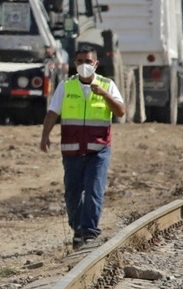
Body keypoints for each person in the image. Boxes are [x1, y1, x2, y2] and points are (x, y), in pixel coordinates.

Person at [39, 47, 126, 249]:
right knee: (73, 193)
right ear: (75, 64)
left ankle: (89, 233)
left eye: (88, 61)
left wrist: (104, 94)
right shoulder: (66, 86)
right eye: (79, 61)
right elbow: (53, 113)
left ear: (95, 64)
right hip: (72, 150)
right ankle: (77, 228)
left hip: (99, 150)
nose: (84, 65)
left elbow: (121, 112)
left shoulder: (107, 85)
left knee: (94, 191)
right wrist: (45, 136)